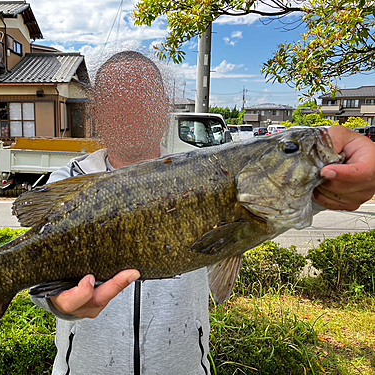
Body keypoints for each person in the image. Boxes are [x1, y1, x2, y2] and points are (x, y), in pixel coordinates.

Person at [31, 51, 375, 375]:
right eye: (117, 100)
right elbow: (38, 274)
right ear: (97, 111)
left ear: (164, 105)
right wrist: (59, 304)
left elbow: (298, 191)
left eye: (142, 98)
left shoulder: (212, 171)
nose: (130, 110)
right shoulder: (70, 180)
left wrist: (348, 157)